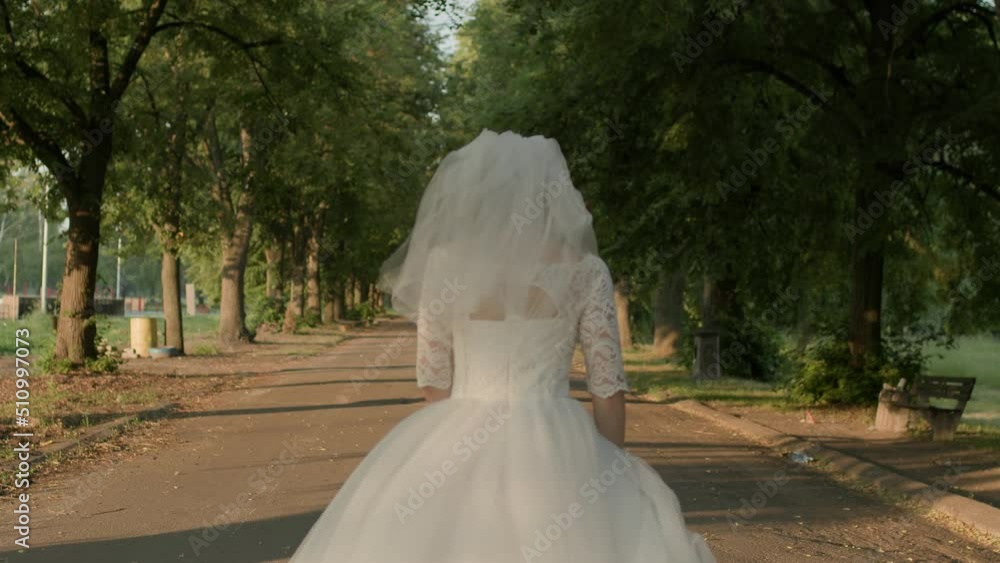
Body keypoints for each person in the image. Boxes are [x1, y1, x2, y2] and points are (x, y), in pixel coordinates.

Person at [290, 130, 716, 562]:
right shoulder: (586, 271)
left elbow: (434, 380)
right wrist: (609, 467)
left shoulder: (445, 265)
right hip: (556, 438)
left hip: (456, 429)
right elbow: (606, 387)